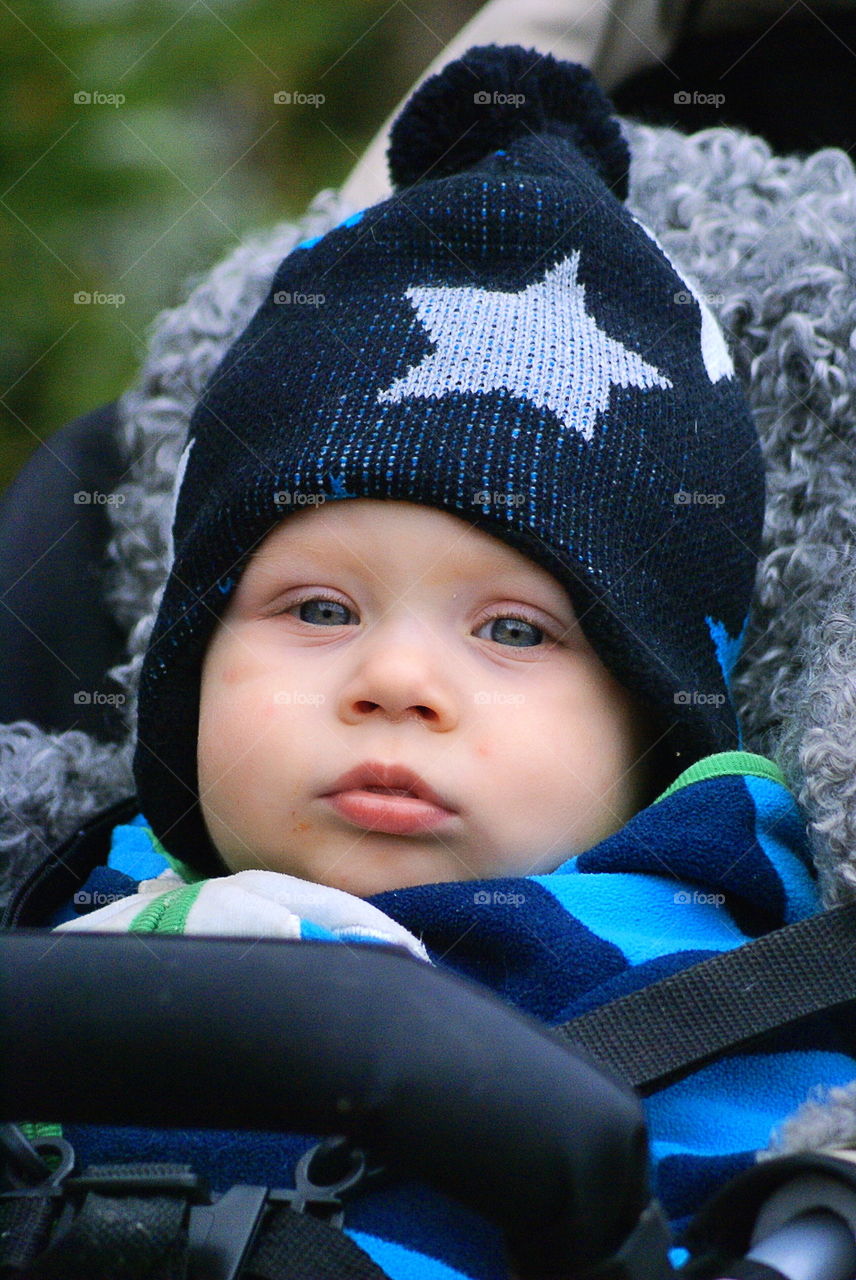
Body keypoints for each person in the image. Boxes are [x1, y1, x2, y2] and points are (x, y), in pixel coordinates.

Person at [23, 43, 856, 1278]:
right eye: (315, 608)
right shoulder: (64, 897)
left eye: (514, 630)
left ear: (654, 724)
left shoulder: (726, 989)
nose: (395, 681)